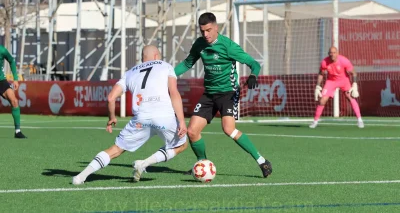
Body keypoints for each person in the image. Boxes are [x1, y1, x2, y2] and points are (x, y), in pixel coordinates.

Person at [174, 12, 272, 178]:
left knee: (228, 129)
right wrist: (167, 75)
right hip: (209, 94)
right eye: (202, 31)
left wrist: (253, 75)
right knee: (192, 131)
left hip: (228, 92)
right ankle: (202, 164)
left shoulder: (228, 46)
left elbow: (253, 63)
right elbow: (187, 63)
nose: (205, 34)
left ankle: (262, 161)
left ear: (216, 27)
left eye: (209, 30)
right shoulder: (200, 44)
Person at [72, 45, 188, 185]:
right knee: (181, 145)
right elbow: (174, 93)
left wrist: (112, 118)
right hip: (164, 117)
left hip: (141, 120)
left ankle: (81, 176)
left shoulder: (130, 72)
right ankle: (144, 163)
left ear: (142, 58)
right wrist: (181, 120)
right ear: (157, 56)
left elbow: (110, 98)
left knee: (116, 149)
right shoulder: (166, 66)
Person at [310, 46, 364, 128]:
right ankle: (315, 121)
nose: (332, 55)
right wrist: (317, 86)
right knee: (322, 100)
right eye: (330, 53)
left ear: (337, 53)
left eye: (334, 53)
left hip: (344, 80)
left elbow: (354, 73)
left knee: (350, 96)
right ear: (328, 54)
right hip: (331, 81)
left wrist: (355, 84)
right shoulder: (324, 62)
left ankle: (360, 120)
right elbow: (321, 74)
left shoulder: (344, 61)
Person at [0, 45, 26, 138]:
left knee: (14, 101)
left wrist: (15, 79)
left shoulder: (2, 50)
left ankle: (18, 131)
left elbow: (11, 60)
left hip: (1, 81)